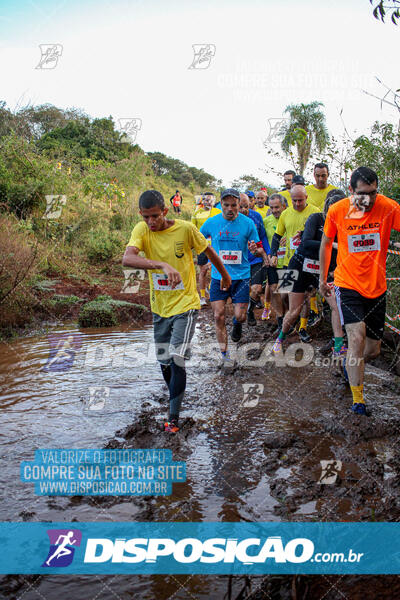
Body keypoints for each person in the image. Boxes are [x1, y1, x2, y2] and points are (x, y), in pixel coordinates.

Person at [123, 190, 231, 433]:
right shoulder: (142, 231)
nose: (151, 222)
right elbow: (127, 258)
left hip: (186, 304)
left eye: (155, 216)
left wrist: (224, 275)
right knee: (164, 362)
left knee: (177, 357)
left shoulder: (185, 229)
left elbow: (208, 252)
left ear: (165, 211)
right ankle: (175, 395)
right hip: (160, 306)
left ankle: (173, 419)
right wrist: (161, 264)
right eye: (146, 217)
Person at [320, 166, 400, 416]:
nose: (369, 199)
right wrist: (323, 279)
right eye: (363, 194)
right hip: (348, 284)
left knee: (372, 350)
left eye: (374, 193)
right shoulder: (338, 210)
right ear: (351, 191)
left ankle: (349, 364)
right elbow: (324, 243)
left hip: (377, 286)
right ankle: (358, 402)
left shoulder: (388, 207)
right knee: (355, 338)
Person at [272, 190, 346, 355]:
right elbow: (302, 242)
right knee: (286, 301)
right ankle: (280, 334)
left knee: (333, 305)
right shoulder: (313, 217)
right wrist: (331, 244)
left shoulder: (343, 226)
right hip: (295, 264)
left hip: (320, 270)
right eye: (295, 200)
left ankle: (311, 332)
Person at [200, 188, 265, 370]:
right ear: (221, 205)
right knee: (218, 315)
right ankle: (225, 357)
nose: (230, 209)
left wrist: (255, 249)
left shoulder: (248, 223)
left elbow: (259, 248)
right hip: (218, 277)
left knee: (240, 316)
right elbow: (197, 240)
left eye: (234, 205)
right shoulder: (211, 222)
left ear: (239, 205)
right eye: (226, 205)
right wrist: (204, 258)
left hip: (241, 277)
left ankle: (237, 325)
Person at [269, 184, 320, 342]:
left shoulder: (315, 212)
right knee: (284, 295)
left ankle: (302, 328)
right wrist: (273, 254)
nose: (297, 204)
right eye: (294, 201)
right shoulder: (286, 213)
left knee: (305, 297)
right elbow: (278, 235)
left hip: (311, 263)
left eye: (300, 200)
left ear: (306, 198)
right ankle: (287, 321)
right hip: (291, 261)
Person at [238, 193, 270, 325]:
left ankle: (249, 310)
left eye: (246, 206)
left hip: (256, 258)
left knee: (257, 289)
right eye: (240, 207)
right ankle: (239, 316)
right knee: (243, 290)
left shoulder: (256, 217)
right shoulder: (230, 220)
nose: (244, 210)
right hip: (239, 262)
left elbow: (262, 236)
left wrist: (266, 254)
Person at [191, 193, 221, 306]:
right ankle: (202, 297)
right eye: (205, 200)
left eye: (209, 200)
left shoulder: (219, 213)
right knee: (203, 271)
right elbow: (192, 230)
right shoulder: (196, 213)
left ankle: (212, 290)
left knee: (215, 269)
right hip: (202, 247)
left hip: (216, 247)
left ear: (214, 201)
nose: (207, 202)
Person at [263, 193, 288, 322]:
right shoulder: (266, 221)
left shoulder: (289, 218)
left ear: (283, 206)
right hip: (273, 261)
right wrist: (268, 254)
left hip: (287, 261)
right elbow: (262, 240)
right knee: (273, 289)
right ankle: (280, 318)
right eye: (271, 208)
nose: (274, 211)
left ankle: (288, 318)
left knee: (285, 294)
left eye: (277, 207)